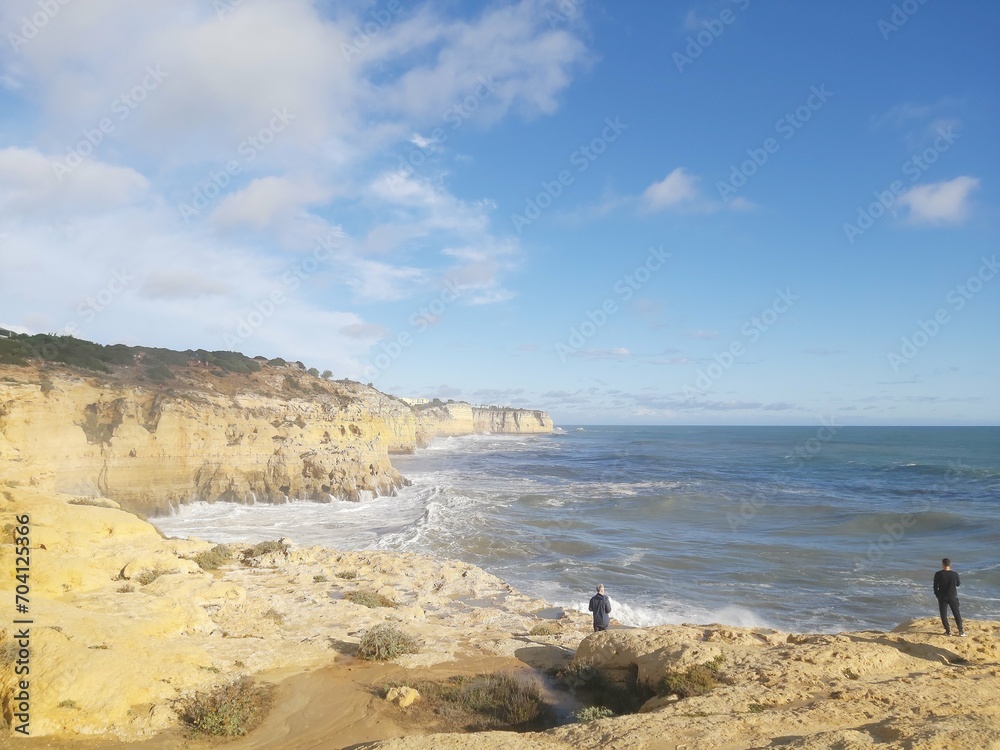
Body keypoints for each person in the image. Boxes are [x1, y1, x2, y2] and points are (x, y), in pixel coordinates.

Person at [933, 558, 965, 637]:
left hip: (942, 597)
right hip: (953, 596)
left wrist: (937, 595)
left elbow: (935, 586)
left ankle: (948, 631)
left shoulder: (938, 574)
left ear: (943, 564)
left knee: (943, 614)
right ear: (950, 564)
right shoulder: (955, 574)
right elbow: (958, 584)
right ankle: (961, 631)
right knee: (956, 613)